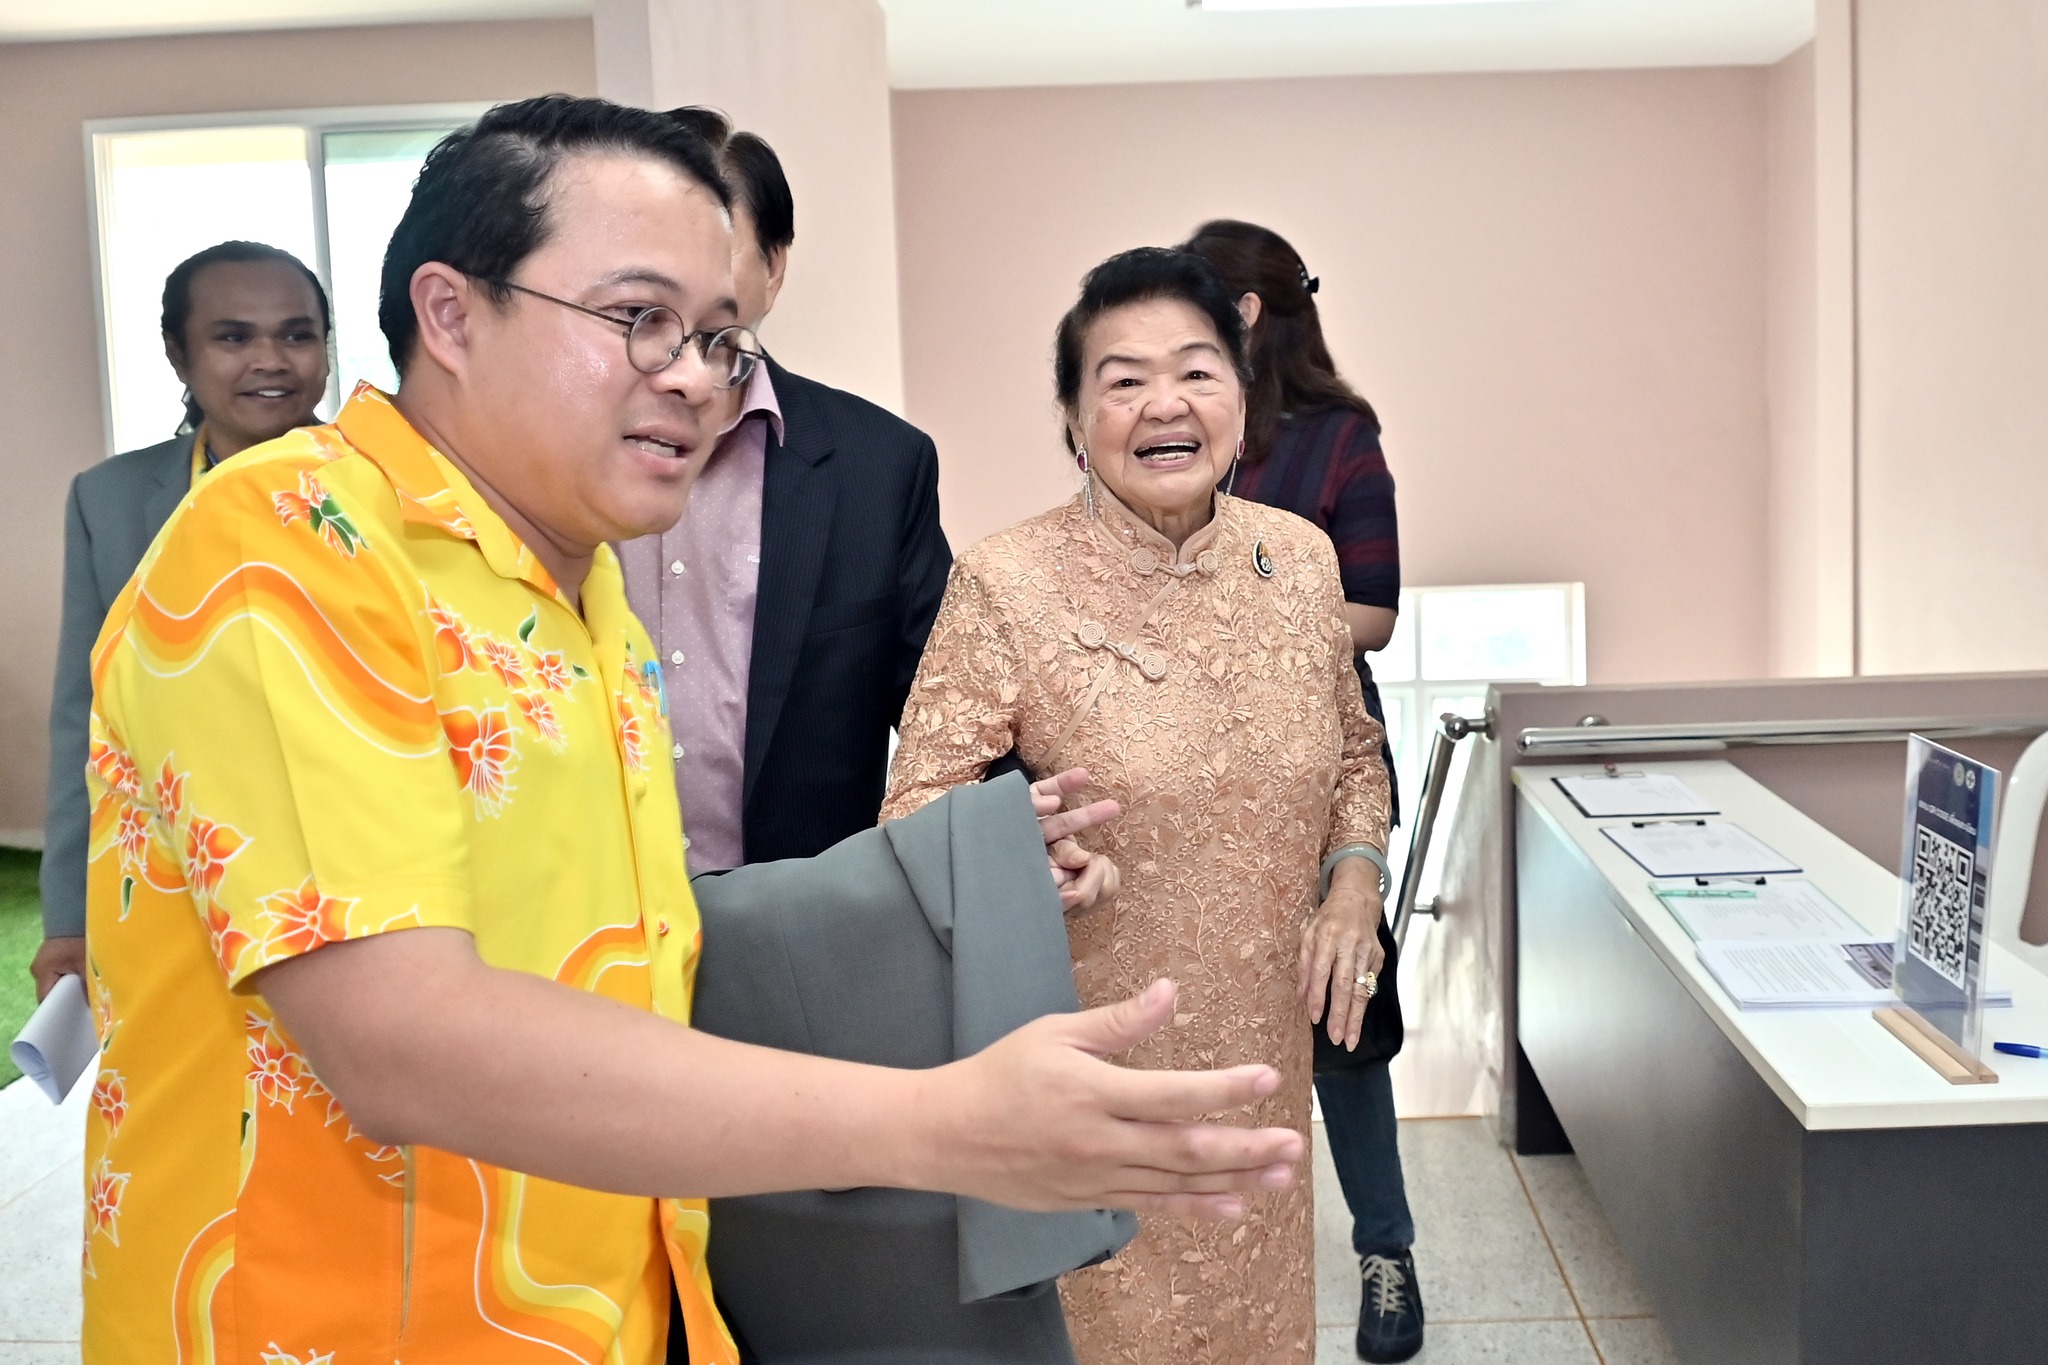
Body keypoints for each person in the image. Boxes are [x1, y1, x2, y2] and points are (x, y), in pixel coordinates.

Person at [77, 98, 1304, 1364]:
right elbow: (397, 1036)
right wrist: (940, 1123)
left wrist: (950, 869)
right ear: (450, 314)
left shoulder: (582, 586)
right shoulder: (291, 541)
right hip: (345, 1324)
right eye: (634, 319)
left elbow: (627, 938)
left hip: (600, 1302)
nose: (693, 375)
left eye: (717, 337)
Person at [883, 246, 1395, 1365]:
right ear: (1074, 417)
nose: (1163, 402)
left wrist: (1352, 883)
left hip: (1263, 1061)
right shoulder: (1006, 583)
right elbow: (915, 805)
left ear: (1242, 401)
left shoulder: (1297, 563)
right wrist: (1023, 855)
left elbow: (1354, 756)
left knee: (1258, 1322)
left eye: (1196, 372)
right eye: (1120, 379)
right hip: (1090, 1064)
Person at [1181, 218, 1421, 1364]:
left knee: (1343, 1025)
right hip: (1188, 763)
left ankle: (1385, 1253)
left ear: (1242, 313)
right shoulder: (1179, 432)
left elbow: (1371, 608)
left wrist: (1237, 620)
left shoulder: (1337, 438)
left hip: (1327, 759)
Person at [617, 107, 954, 874]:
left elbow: (952, 716)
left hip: (797, 939)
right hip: (579, 939)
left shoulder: (879, 467)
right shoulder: (549, 457)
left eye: (714, 245)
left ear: (773, 265)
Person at [30, 240, 331, 1003]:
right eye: (233, 337)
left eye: (297, 334)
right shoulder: (109, 500)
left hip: (346, 871)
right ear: (179, 353)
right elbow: (84, 719)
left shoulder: (388, 488)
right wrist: (69, 917)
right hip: (176, 871)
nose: (271, 359)